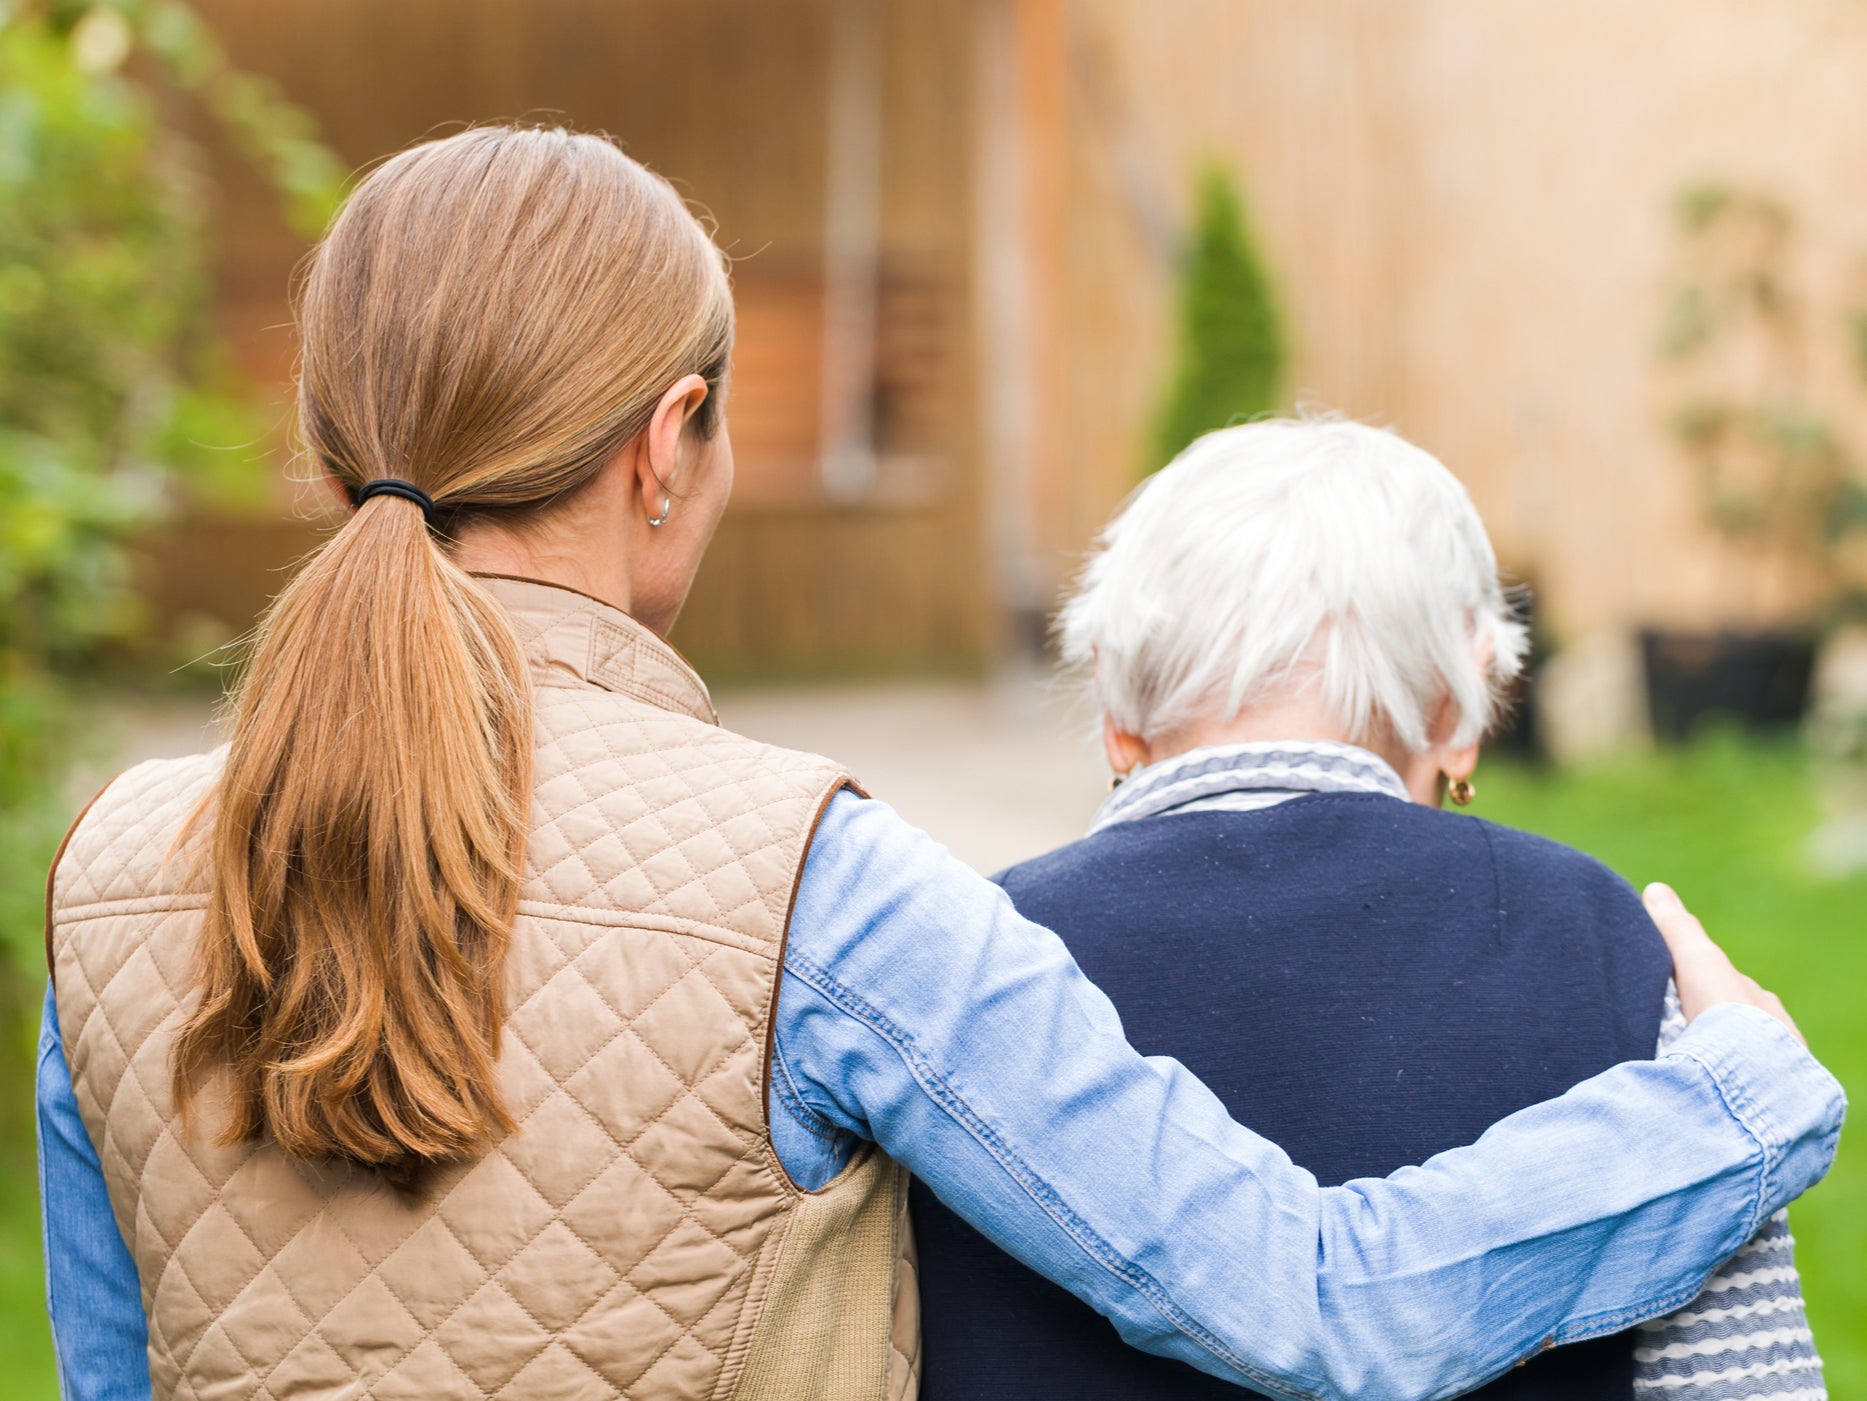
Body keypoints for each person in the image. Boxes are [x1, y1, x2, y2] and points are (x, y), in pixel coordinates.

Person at [38, 128, 1841, 1401]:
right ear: (672, 445)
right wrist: (1731, 1103)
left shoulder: (107, 874)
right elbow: (1309, 1302)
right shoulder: (804, 880)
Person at [912, 417, 1828, 1401]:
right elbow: (1738, 1375)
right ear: (1458, 709)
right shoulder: (1605, 939)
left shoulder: (966, 963)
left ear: (1115, 713)